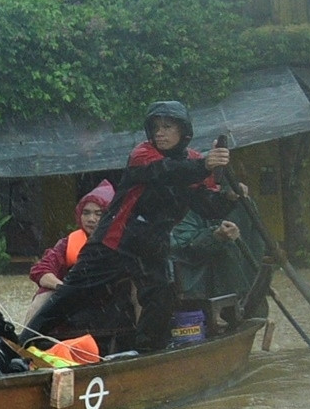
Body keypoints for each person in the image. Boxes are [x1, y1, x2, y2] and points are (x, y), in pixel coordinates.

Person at [31, 102, 237, 354]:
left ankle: (148, 353)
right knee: (72, 294)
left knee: (161, 298)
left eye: (167, 127)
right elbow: (166, 172)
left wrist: (231, 197)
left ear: (183, 131)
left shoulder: (193, 163)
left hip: (152, 246)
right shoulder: (143, 154)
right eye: (156, 127)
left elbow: (206, 206)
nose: (159, 133)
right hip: (114, 243)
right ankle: (26, 340)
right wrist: (204, 166)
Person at [21, 180, 114, 331]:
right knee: (45, 294)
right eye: (86, 213)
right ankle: (26, 338)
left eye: (99, 214)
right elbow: (41, 270)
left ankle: (144, 339)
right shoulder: (67, 243)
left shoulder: (122, 242)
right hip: (72, 299)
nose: (91, 219)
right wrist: (63, 288)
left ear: (110, 216)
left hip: (110, 302)